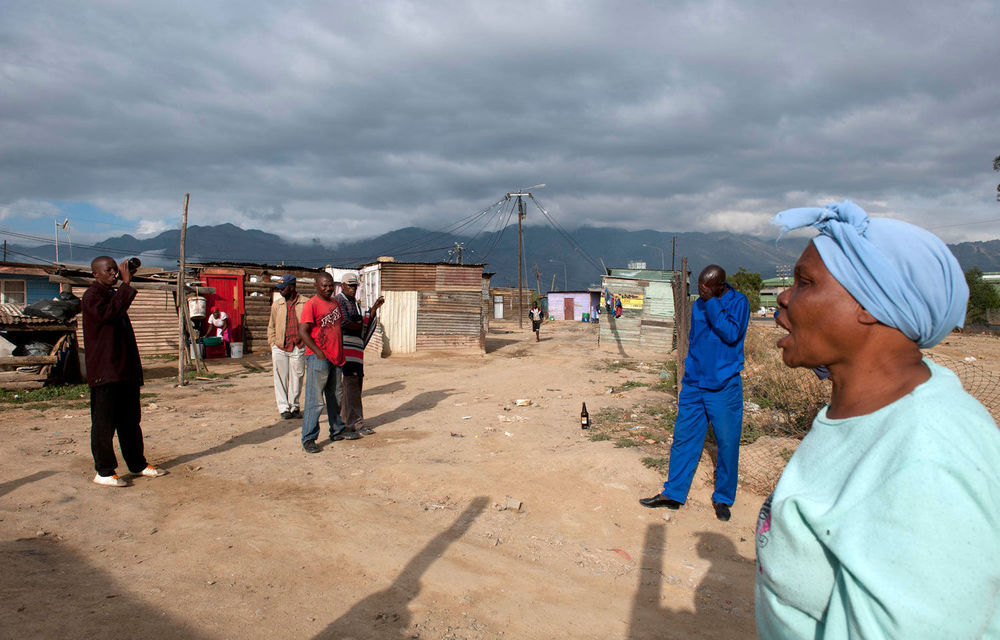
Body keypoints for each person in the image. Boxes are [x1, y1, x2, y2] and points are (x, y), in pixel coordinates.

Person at [756, 200, 1000, 638]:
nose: (784, 296)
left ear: (870, 304)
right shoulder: (862, 413)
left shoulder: (928, 459)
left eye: (805, 282)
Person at [640, 264, 749, 521]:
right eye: (699, 288)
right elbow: (695, 339)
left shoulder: (737, 302)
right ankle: (674, 493)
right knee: (683, 439)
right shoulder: (698, 304)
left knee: (727, 443)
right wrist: (690, 371)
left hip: (723, 386)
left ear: (719, 286)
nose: (700, 292)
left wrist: (712, 302)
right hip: (694, 384)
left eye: (705, 288)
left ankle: (723, 498)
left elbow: (731, 333)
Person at [81, 256, 165, 487]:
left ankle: (137, 463)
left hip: (123, 371)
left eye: (114, 270)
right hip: (105, 372)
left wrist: (125, 285)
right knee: (104, 423)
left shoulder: (110, 294)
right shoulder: (92, 297)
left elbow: (116, 308)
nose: (114, 274)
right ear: (95, 274)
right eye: (108, 270)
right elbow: (109, 314)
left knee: (130, 421)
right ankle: (104, 471)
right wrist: (126, 286)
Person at [298, 272, 359, 453]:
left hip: (336, 358)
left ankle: (337, 429)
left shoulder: (334, 303)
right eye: (324, 285)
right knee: (315, 400)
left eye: (330, 285)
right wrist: (318, 352)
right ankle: (309, 438)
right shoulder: (311, 304)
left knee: (335, 397)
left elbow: (336, 328)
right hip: (319, 358)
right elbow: (303, 331)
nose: (327, 288)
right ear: (316, 286)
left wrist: (340, 353)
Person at [335, 273, 384, 436]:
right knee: (349, 386)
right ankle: (350, 422)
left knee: (355, 386)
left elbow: (361, 321)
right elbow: (344, 322)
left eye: (355, 286)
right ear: (343, 285)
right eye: (350, 285)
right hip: (346, 351)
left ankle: (352, 421)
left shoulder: (354, 303)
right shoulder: (339, 301)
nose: (353, 288)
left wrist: (374, 309)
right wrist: (357, 322)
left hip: (355, 351)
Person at [266, 274, 308, 419]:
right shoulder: (277, 304)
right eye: (279, 288)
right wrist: (272, 344)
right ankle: (284, 408)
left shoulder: (305, 303)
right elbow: (271, 325)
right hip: (280, 346)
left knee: (297, 377)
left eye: (283, 288)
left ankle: (294, 406)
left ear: (292, 287)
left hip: (298, 346)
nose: (281, 291)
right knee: (280, 378)